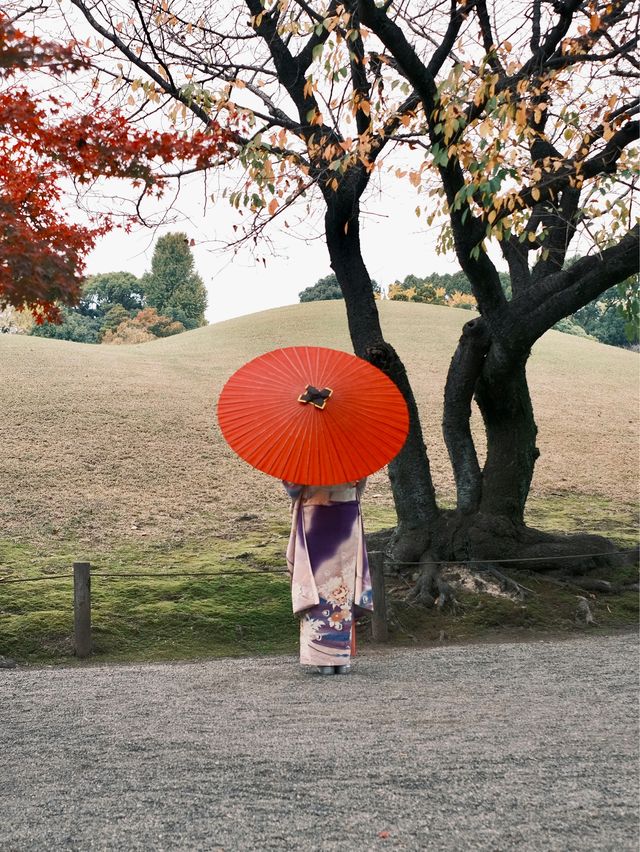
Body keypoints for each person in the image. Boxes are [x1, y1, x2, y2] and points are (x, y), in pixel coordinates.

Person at [283, 478, 373, 675]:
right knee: (343, 586)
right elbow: (360, 486)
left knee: (319, 587)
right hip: (346, 517)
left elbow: (293, 490)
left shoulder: (304, 457)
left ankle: (322, 658)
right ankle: (341, 658)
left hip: (315, 517)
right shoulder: (352, 455)